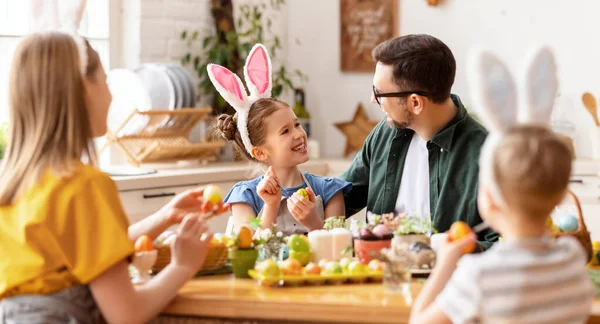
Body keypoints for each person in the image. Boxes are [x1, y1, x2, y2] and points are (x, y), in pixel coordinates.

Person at [0, 3, 213, 322]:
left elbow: (78, 253)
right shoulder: (83, 185)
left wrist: (165, 217)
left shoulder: (14, 184)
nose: (111, 95)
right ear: (80, 92)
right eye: (104, 80)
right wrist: (182, 266)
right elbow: (127, 314)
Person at [410, 46, 595, 323]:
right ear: (559, 199)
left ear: (489, 197)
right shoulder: (571, 260)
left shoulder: (479, 275)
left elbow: (418, 321)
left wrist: (446, 262)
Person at [340, 34, 498, 250]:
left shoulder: (488, 155)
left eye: (379, 93)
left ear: (415, 102)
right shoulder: (385, 133)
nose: (372, 100)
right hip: (380, 276)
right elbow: (344, 196)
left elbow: (505, 244)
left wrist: (452, 248)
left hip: (451, 281)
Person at [210, 44, 351, 235]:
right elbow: (249, 253)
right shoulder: (245, 197)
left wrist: (313, 222)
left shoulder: (329, 190)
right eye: (285, 131)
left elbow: (339, 249)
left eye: (297, 124)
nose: (299, 134)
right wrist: (271, 206)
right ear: (260, 152)